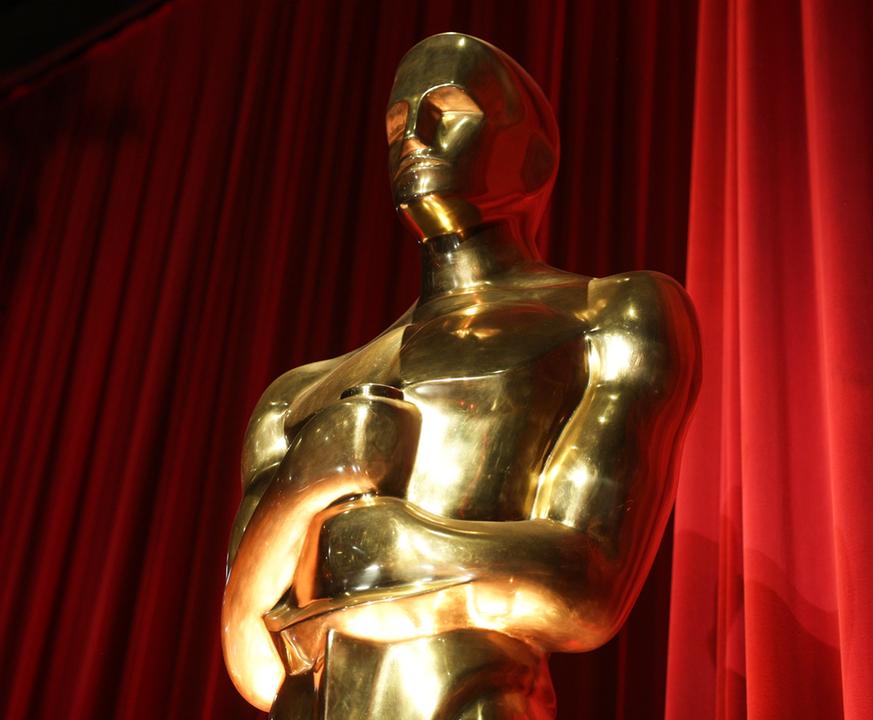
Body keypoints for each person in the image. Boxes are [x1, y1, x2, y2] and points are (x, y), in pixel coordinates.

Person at [222, 32, 699, 719]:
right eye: (397, 123)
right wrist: (306, 481)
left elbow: (588, 585)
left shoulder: (606, 315)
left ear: (533, 154)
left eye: (448, 109)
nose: (415, 139)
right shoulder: (297, 395)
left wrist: (394, 544)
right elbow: (250, 652)